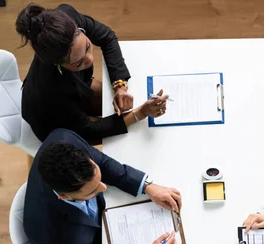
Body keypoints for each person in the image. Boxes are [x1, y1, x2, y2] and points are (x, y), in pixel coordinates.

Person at [23, 128, 182, 244]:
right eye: (93, 191)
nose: (103, 188)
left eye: (98, 178)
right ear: (64, 197)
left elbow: (104, 164)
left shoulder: (65, 139)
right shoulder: (46, 232)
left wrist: (147, 186)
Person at [16, 3, 169, 143]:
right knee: (125, 135)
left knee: (125, 107)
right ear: (57, 64)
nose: (89, 60)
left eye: (87, 47)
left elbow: (107, 37)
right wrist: (140, 113)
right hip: (51, 121)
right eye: (79, 63)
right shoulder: (51, 91)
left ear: (79, 29)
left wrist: (120, 85)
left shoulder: (66, 18)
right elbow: (88, 131)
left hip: (74, 86)